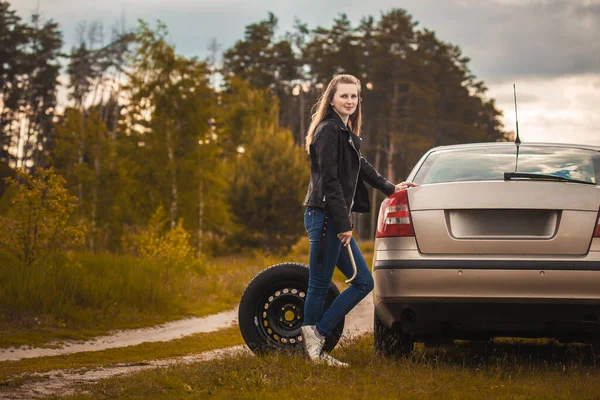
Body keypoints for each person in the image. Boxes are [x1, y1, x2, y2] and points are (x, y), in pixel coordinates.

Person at [301, 74, 417, 367]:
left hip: (330, 217)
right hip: (326, 217)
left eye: (354, 97)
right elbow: (329, 181)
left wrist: (392, 188)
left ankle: (317, 336)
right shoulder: (328, 131)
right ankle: (315, 349)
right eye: (344, 96)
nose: (350, 101)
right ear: (331, 99)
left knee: (363, 281)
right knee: (320, 284)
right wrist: (343, 224)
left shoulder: (343, 131)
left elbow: (361, 166)